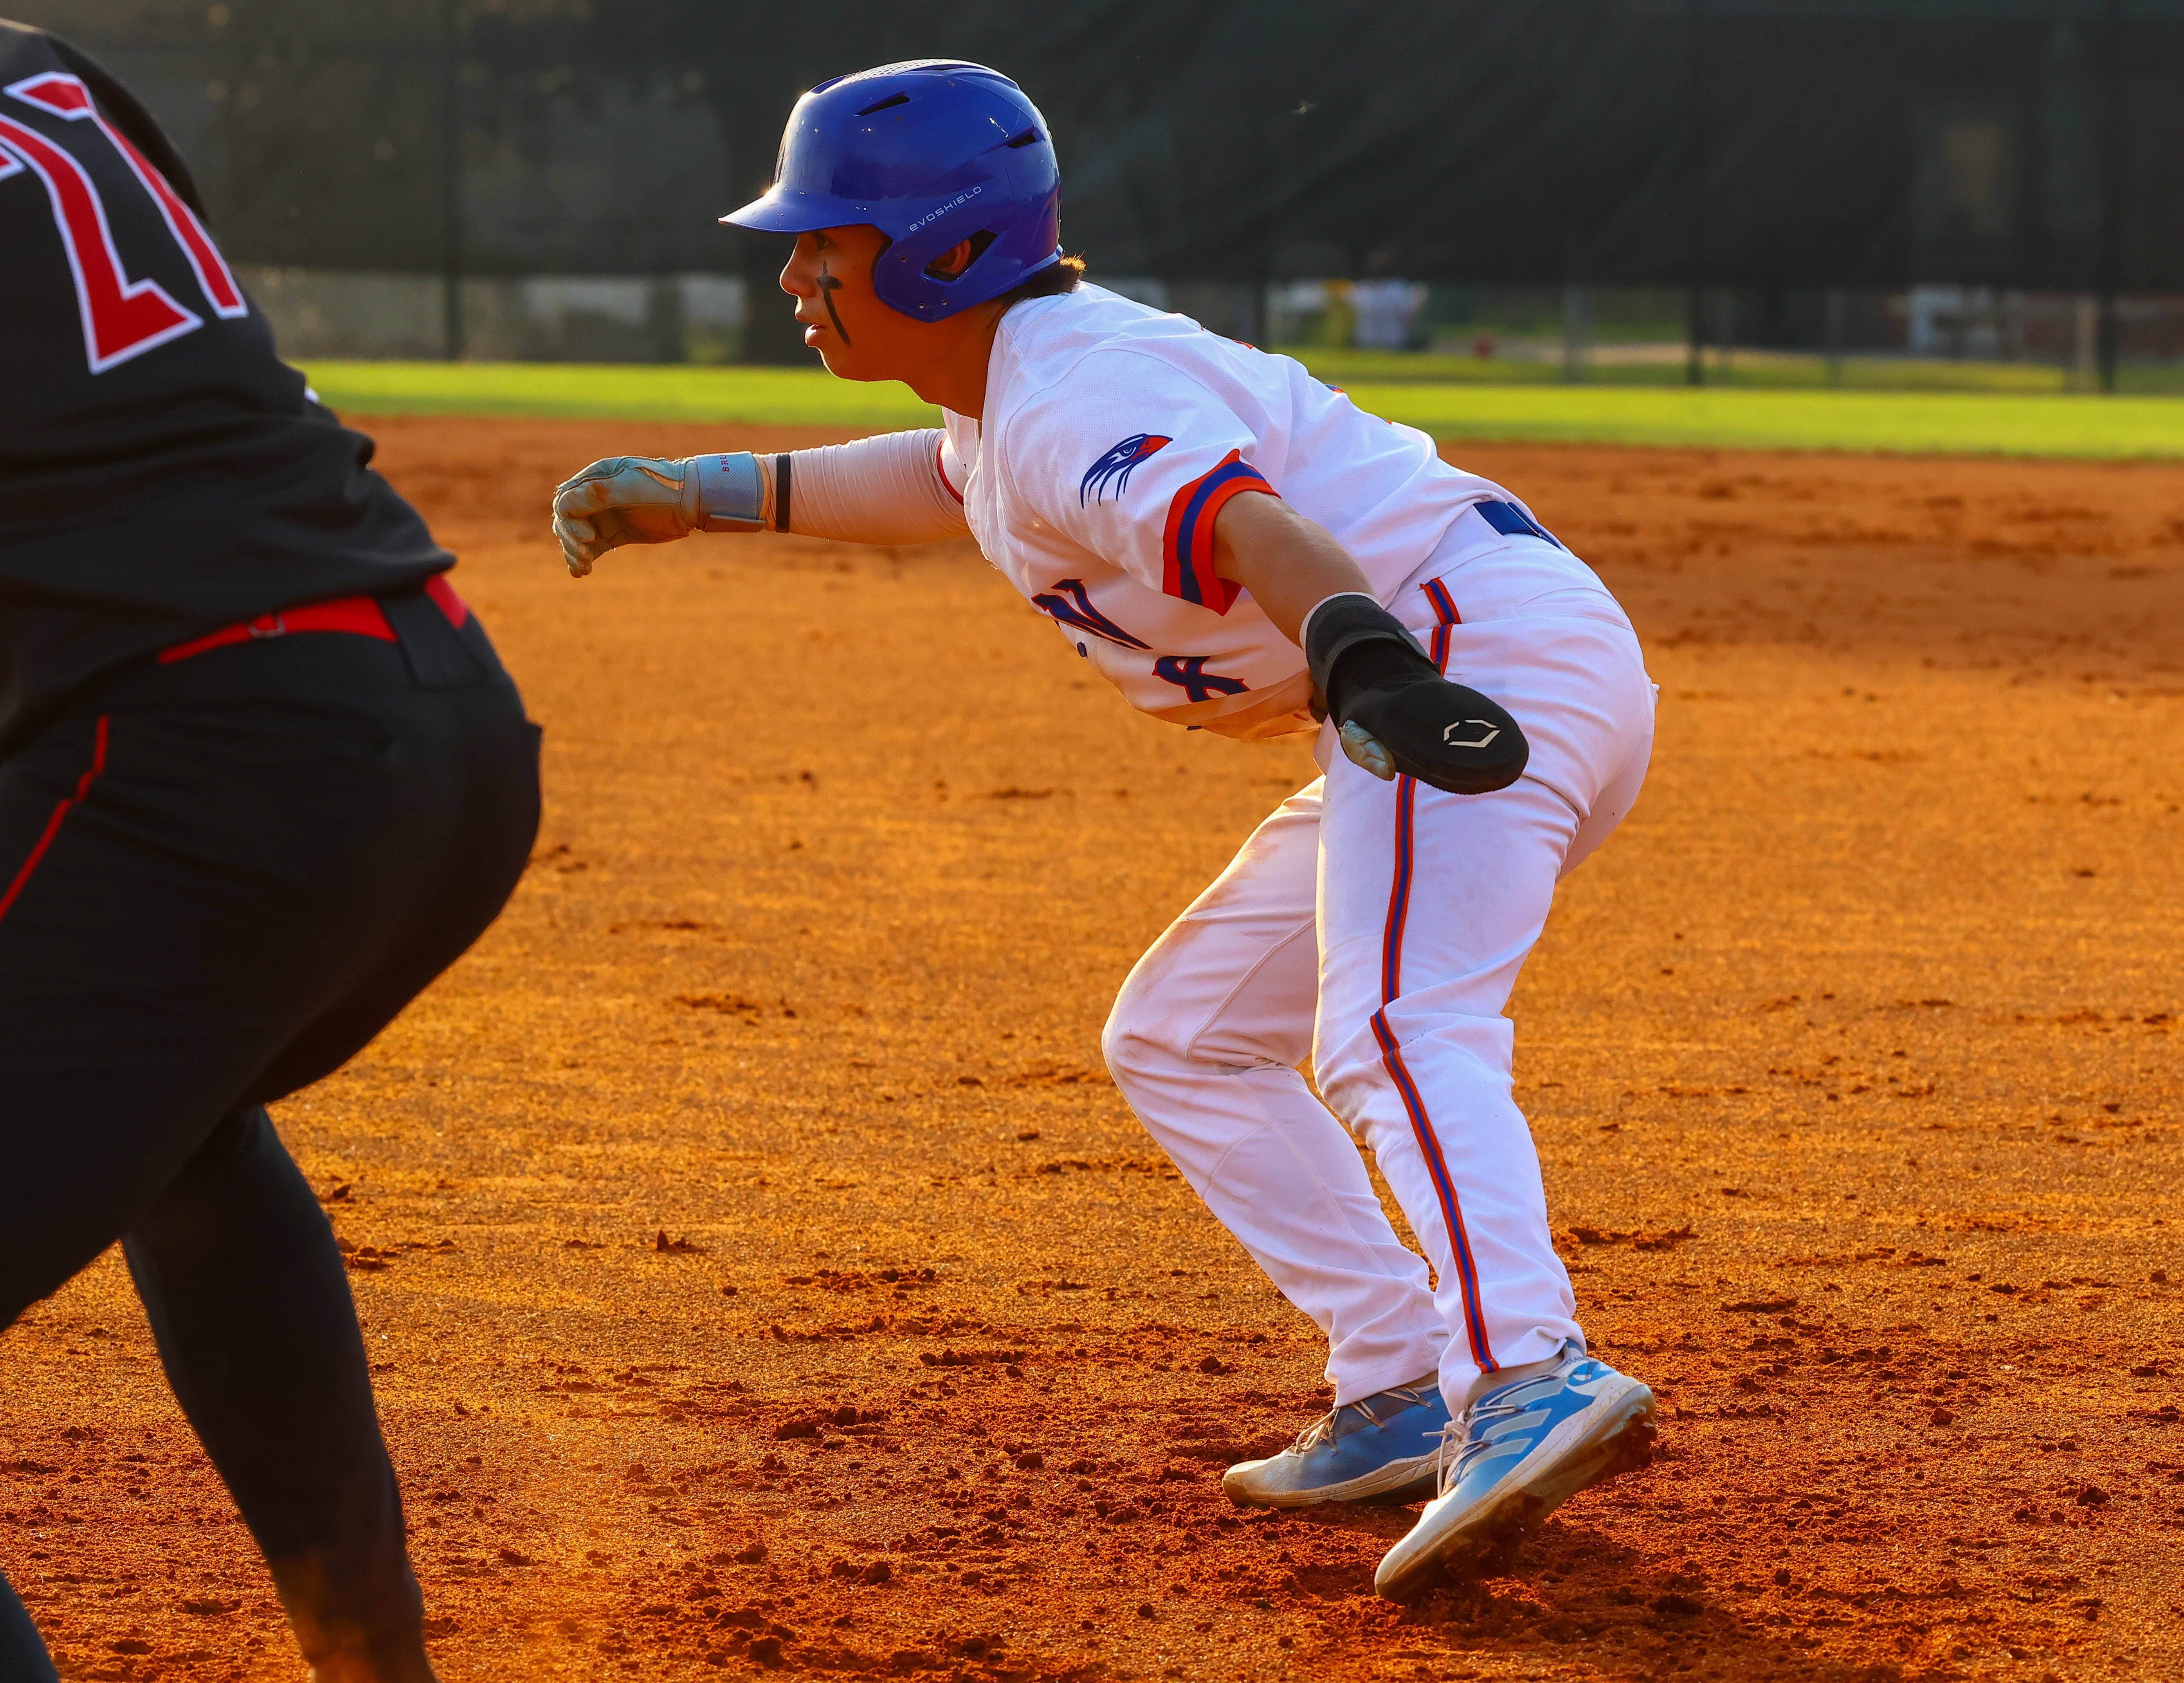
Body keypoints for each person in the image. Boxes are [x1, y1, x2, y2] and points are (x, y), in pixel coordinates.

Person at [550, 58, 1655, 1599]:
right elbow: (939, 481)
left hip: (1450, 664)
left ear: (939, 248)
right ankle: (1401, 1375)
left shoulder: (1074, 393)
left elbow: (1251, 528)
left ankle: (1526, 1369)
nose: (796, 270)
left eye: (827, 239)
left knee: (1398, 1018)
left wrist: (1364, 661)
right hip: (1454, 654)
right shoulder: (1011, 394)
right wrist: (710, 489)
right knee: (1185, 1031)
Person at [0, 23, 539, 1680]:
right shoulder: (37, 67)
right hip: (432, 702)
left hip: (207, 760)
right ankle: (373, 1663)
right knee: (179, 1134)